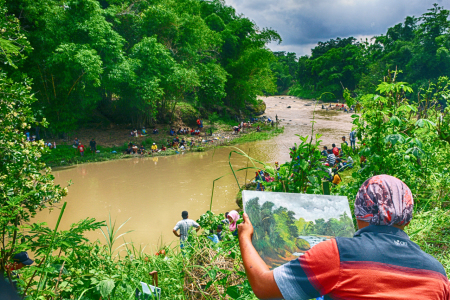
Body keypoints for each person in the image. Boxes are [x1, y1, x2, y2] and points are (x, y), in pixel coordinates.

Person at [237, 175, 450, 299]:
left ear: (359, 213)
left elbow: (263, 287)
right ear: (407, 219)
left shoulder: (338, 254)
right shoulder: (438, 274)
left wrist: (245, 238)